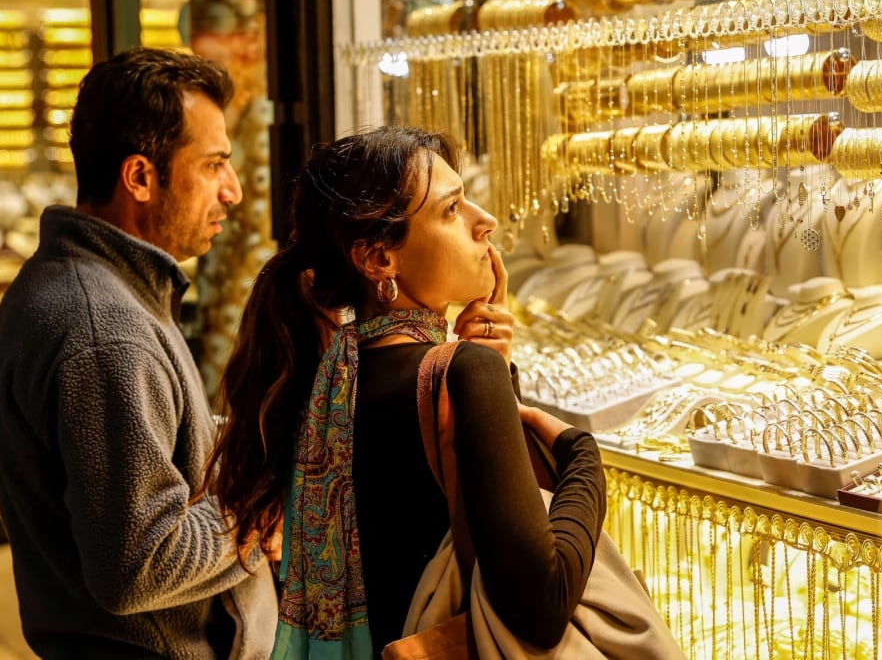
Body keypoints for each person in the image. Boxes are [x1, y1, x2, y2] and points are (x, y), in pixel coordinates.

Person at [203, 125, 607, 658]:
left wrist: (493, 370)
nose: (483, 222)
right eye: (451, 210)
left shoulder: (326, 378)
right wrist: (584, 457)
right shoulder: (462, 375)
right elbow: (542, 608)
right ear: (377, 260)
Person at [0, 47, 277, 659]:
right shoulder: (102, 329)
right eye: (215, 163)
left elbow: (163, 447)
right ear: (140, 177)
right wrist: (257, 518)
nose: (234, 191)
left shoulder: (95, 287)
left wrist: (266, 441)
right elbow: (139, 562)